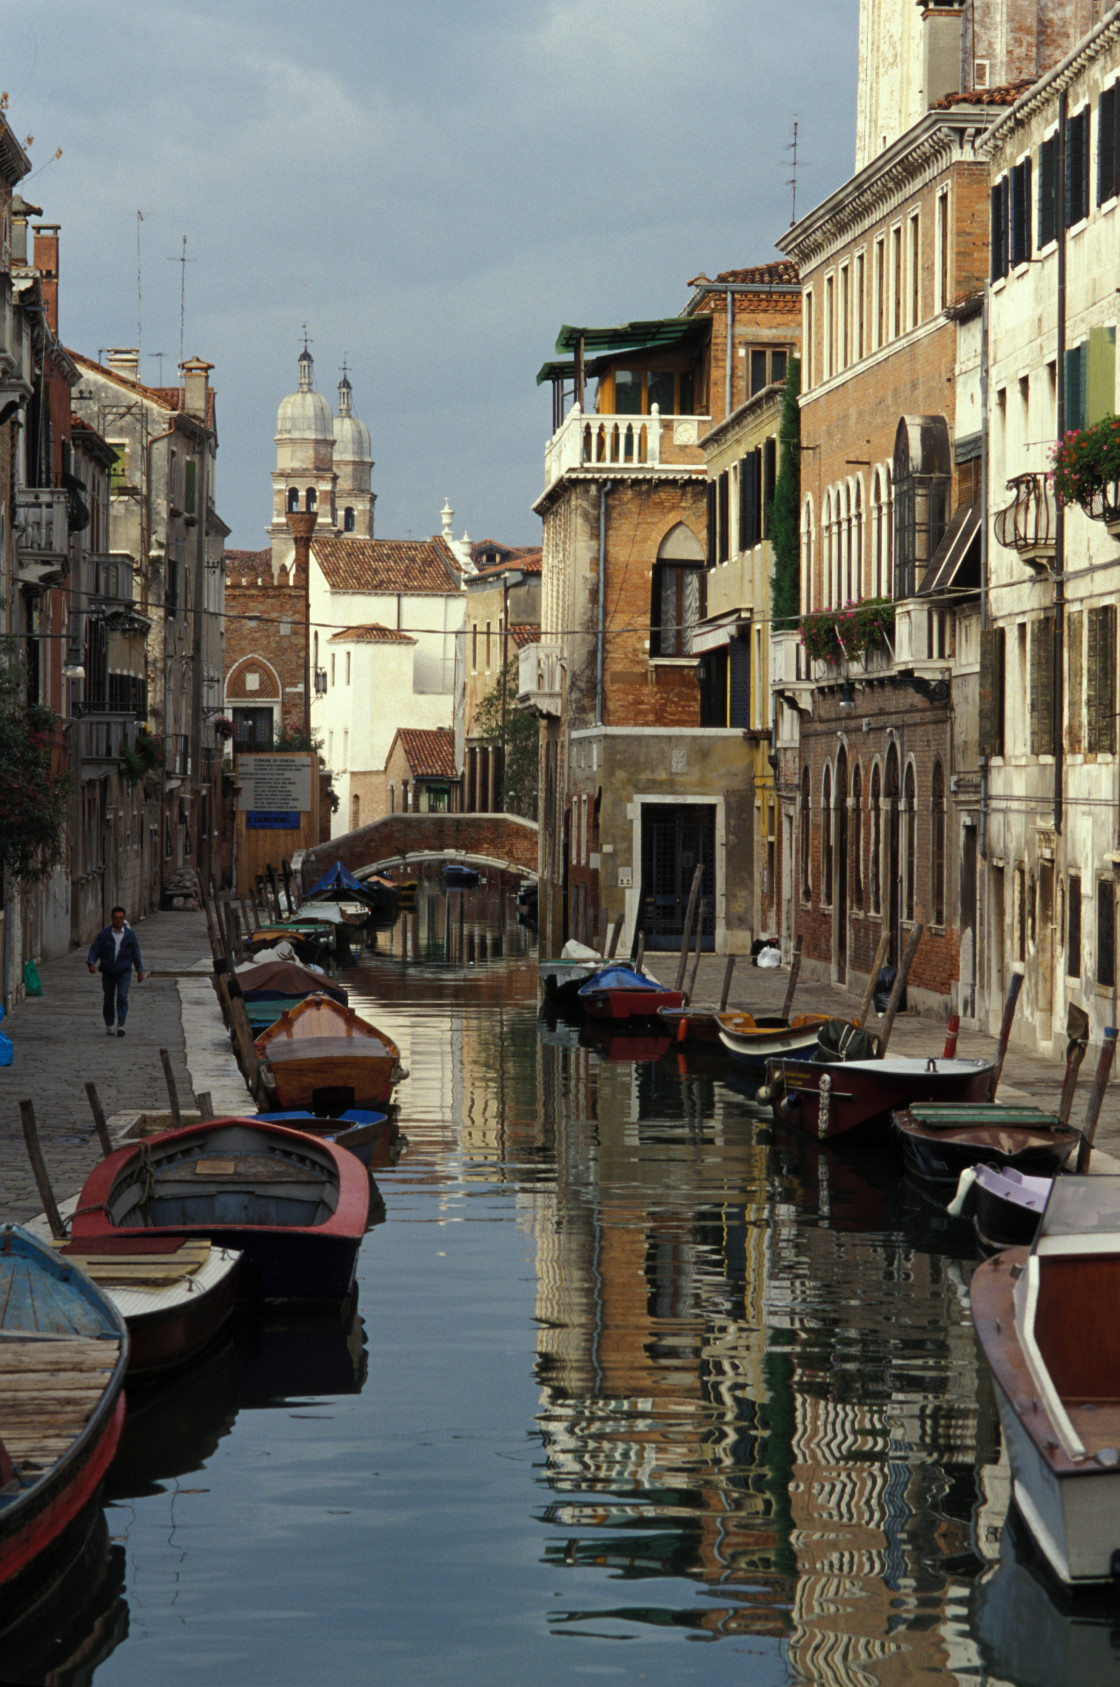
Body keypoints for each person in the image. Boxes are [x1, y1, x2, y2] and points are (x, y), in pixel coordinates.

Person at [88, 906, 145, 1036]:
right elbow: (95, 950)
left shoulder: (130, 936)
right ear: (112, 919)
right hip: (108, 972)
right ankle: (109, 1023)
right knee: (108, 998)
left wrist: (140, 970)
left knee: (122, 997)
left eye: (120, 918)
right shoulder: (104, 935)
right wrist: (91, 963)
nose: (118, 920)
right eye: (115, 918)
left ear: (124, 919)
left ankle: (121, 1024)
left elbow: (136, 953)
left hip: (124, 971)